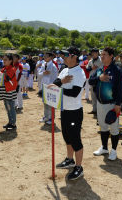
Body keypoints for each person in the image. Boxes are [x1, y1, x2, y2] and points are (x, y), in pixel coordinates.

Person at [53, 47, 86, 180]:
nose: (63, 57)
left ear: (74, 57)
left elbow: (74, 93)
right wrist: (61, 82)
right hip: (64, 110)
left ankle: (79, 167)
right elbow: (54, 83)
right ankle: (69, 159)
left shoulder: (79, 73)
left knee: (75, 139)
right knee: (67, 136)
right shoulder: (65, 70)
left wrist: (59, 87)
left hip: (74, 111)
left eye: (66, 55)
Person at [89, 47, 122, 161]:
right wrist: (99, 78)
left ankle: (113, 151)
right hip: (100, 103)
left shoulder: (117, 70)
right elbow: (90, 81)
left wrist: (118, 104)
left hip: (112, 104)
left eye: (104, 54)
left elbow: (120, 89)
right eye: (101, 54)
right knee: (103, 127)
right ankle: (104, 148)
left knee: (114, 129)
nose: (102, 56)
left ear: (111, 56)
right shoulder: (100, 69)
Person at [0, 54, 18, 130]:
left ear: (10, 61)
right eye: (3, 59)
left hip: (9, 90)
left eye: (6, 59)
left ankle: (13, 123)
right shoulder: (4, 69)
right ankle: (10, 122)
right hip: (4, 90)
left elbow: (7, 78)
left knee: (11, 107)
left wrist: (0, 74)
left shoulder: (12, 69)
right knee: (7, 107)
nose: (4, 61)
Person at [38, 52, 59, 124]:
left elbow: (55, 77)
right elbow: (39, 74)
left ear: (50, 57)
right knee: (45, 102)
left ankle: (51, 118)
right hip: (44, 86)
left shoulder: (53, 66)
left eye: (46, 56)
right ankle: (46, 116)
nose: (44, 57)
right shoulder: (43, 64)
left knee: (51, 103)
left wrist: (53, 86)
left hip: (51, 87)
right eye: (44, 56)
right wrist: (43, 73)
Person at [86, 48, 103, 115]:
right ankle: (94, 109)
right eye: (92, 52)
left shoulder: (101, 60)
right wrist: (91, 68)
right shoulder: (90, 61)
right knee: (93, 95)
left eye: (94, 52)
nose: (93, 54)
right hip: (92, 80)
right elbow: (87, 69)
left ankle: (99, 111)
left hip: (99, 80)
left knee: (99, 96)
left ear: (97, 53)